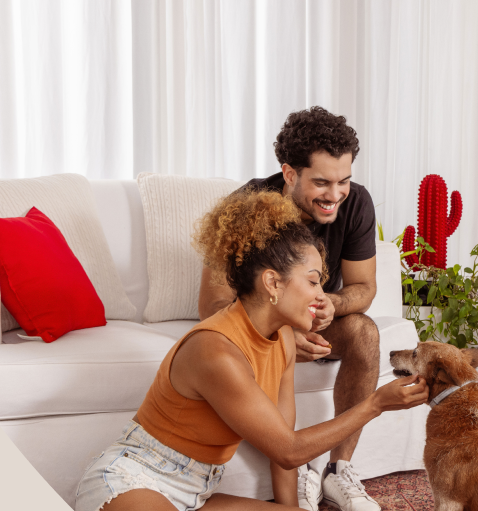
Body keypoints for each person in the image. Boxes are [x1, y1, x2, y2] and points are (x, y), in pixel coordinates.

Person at [76, 190, 428, 511]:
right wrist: (376, 403)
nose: (321, 295)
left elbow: (282, 450)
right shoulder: (215, 350)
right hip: (134, 482)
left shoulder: (284, 339)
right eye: (311, 280)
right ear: (273, 283)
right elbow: (289, 451)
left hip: (197, 491)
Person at [198, 107, 383, 511]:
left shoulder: (355, 205)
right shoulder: (248, 208)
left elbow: (363, 288)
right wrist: (282, 332)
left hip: (315, 323)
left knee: (365, 332)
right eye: (321, 182)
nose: (334, 195)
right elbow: (211, 305)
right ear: (289, 173)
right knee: (268, 345)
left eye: (343, 181)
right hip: (260, 329)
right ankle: (296, 473)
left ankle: (339, 472)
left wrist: (333, 303)